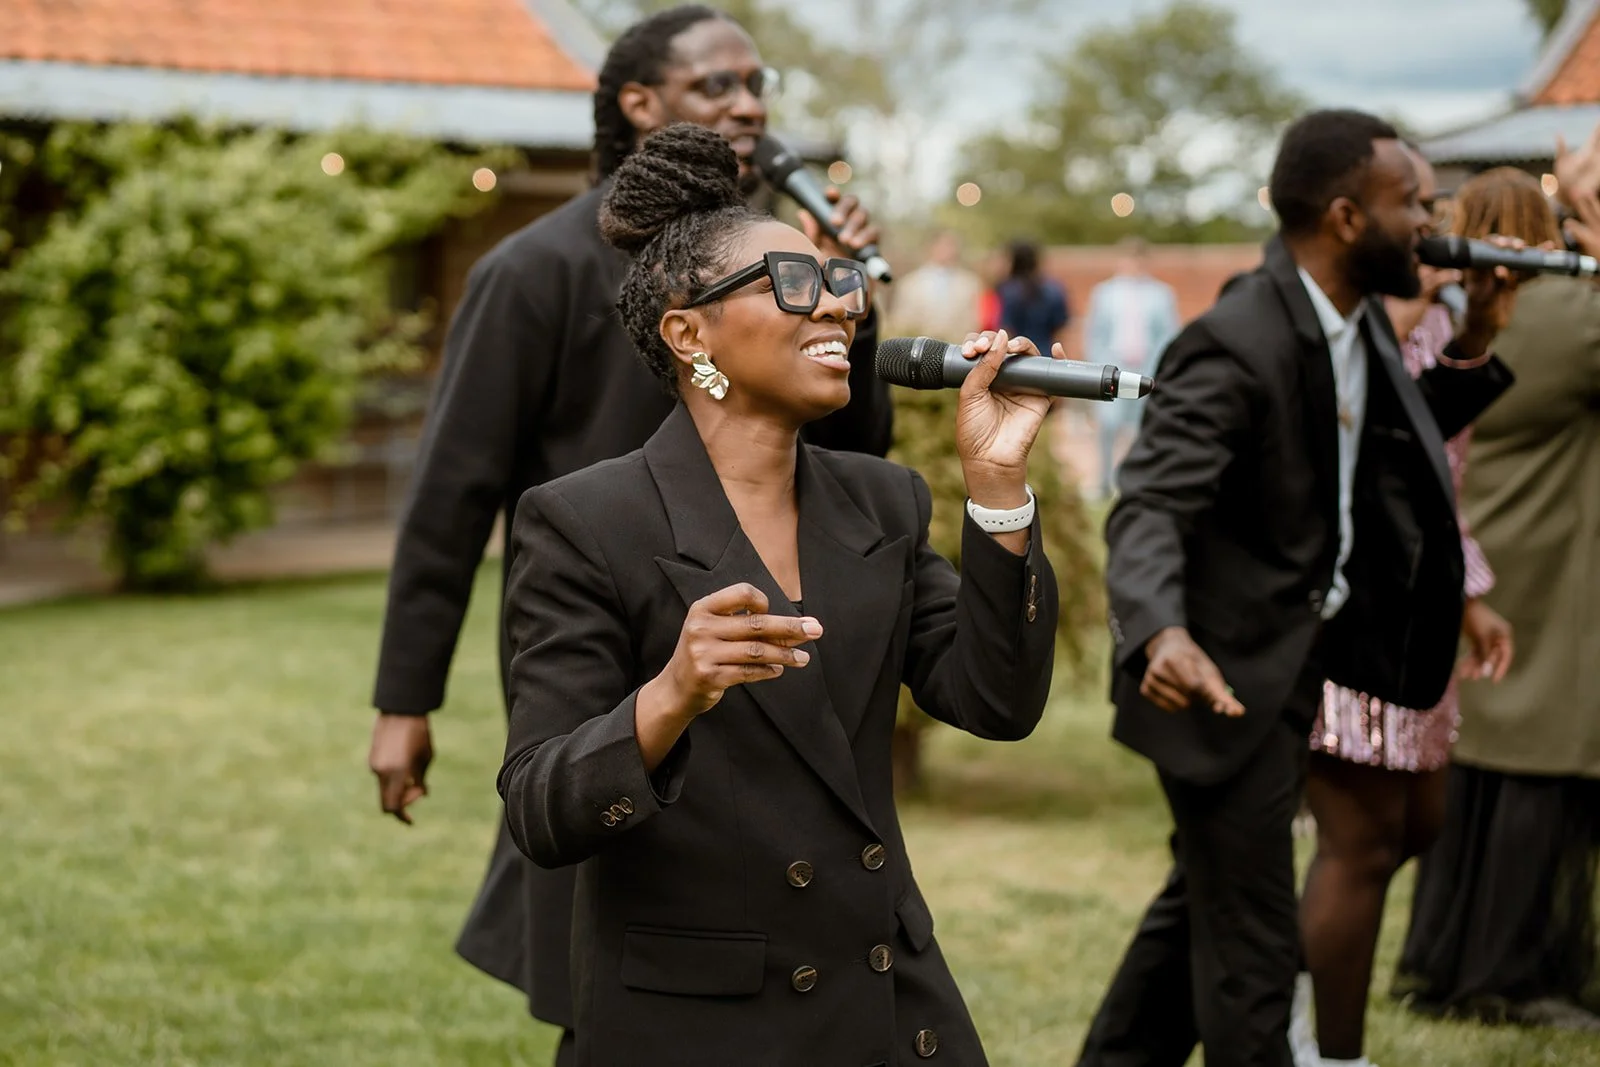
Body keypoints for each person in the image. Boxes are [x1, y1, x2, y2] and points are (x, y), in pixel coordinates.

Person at [364, 7, 895, 1063]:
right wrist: (403, 700)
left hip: (765, 641)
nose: (749, 106)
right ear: (639, 104)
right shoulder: (533, 270)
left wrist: (849, 303)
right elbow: (450, 499)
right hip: (597, 638)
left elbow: (855, 454)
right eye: (717, 86)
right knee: (606, 931)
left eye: (758, 85)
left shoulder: (786, 273)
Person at [496, 123, 1060, 1066]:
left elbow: (996, 702)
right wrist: (671, 694)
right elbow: (541, 810)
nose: (837, 305)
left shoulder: (882, 501)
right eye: (793, 284)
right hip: (701, 1025)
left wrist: (998, 489)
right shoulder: (587, 521)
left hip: (885, 1002)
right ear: (689, 334)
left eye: (841, 281)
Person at [1077, 109, 1517, 1067]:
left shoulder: (1347, 321)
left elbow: (1396, 440)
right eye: (1415, 203)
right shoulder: (1240, 338)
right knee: (1255, 961)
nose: (1431, 222)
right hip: (1213, 679)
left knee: (1199, 915)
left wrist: (1479, 332)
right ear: (1348, 219)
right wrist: (1158, 631)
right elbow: (1150, 501)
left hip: (1291, 670)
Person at [1290, 146, 1516, 1067]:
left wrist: (1467, 593)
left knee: (1417, 821)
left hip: (1419, 603)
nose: (1430, 225)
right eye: (1419, 208)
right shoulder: (1358, 316)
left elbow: (1430, 470)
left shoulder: (1435, 317)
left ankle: (1283, 978)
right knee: (1363, 838)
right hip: (1356, 616)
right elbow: (1353, 460)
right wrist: (1411, 311)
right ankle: (1325, 1048)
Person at [1394, 164, 1600, 1033]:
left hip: (1468, 558)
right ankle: (1512, 973)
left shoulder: (1447, 311)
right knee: (1539, 773)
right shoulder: (1570, 315)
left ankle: (1442, 958)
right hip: (1546, 571)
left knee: (1471, 773)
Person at [1081, 237, 1180, 498]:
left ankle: (1135, 482)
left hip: (1146, 368)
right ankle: (1103, 482)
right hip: (1112, 366)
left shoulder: (1161, 294)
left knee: (1140, 427)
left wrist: (1159, 369)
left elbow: (1168, 334)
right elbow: (1094, 334)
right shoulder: (1104, 293)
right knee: (1108, 424)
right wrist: (1097, 368)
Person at [887, 229, 985, 340]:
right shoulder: (909, 284)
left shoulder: (970, 283)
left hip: (958, 346)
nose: (947, 250)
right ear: (931, 247)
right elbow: (900, 322)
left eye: (950, 245)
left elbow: (975, 321)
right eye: (942, 245)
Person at [996, 239, 1070, 357]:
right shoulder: (1054, 290)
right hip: (1047, 355)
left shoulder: (1007, 290)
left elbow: (1005, 331)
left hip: (1016, 356)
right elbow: (1061, 331)